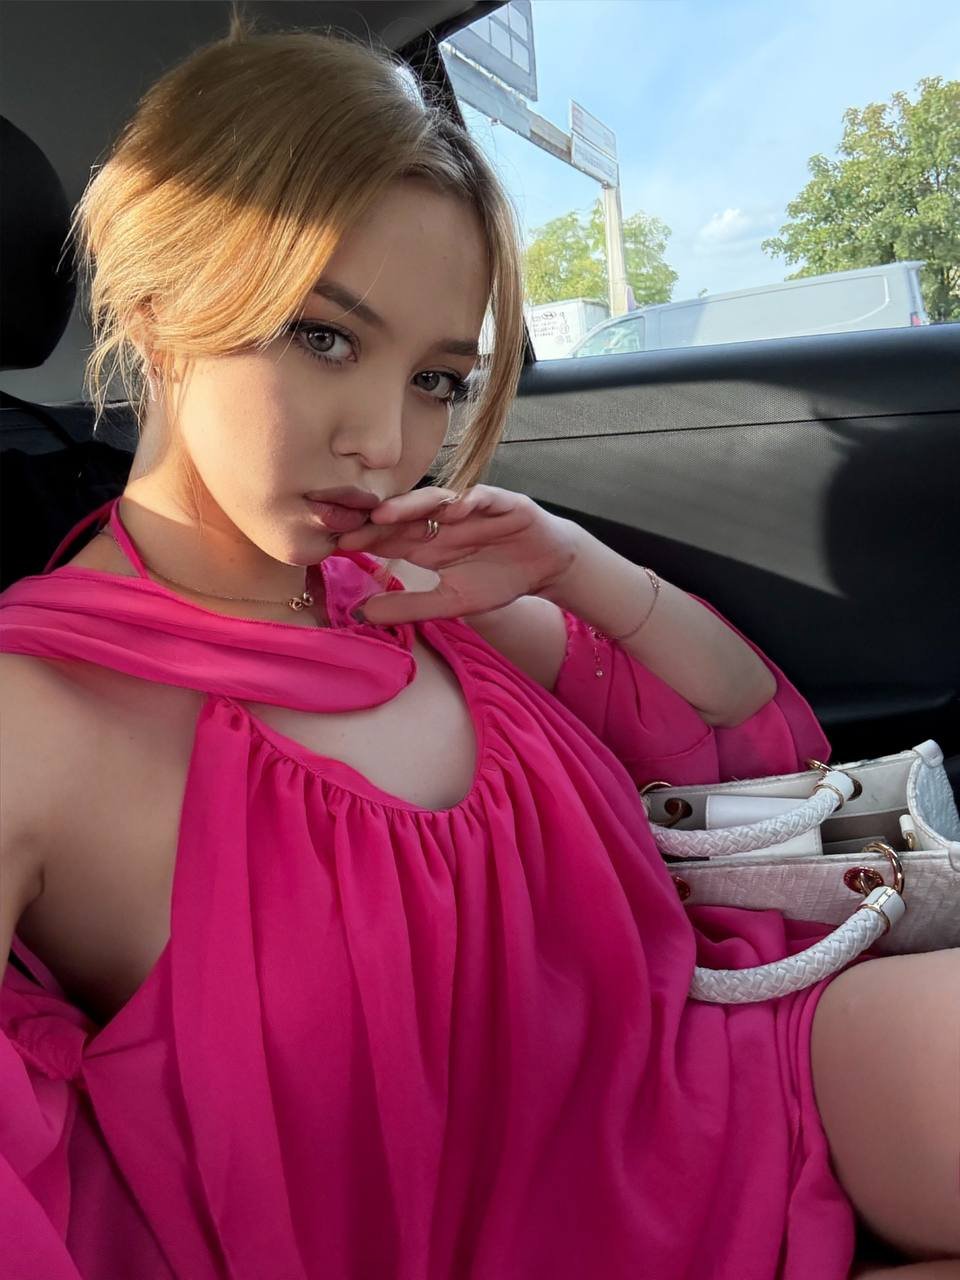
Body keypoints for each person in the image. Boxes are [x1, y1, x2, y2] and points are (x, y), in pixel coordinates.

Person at [1, 12, 957, 1280]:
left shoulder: (405, 582)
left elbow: (747, 737)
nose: (388, 443)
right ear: (156, 301)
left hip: (729, 1075)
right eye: (324, 336)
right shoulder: (35, 717)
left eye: (438, 379)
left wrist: (575, 566)